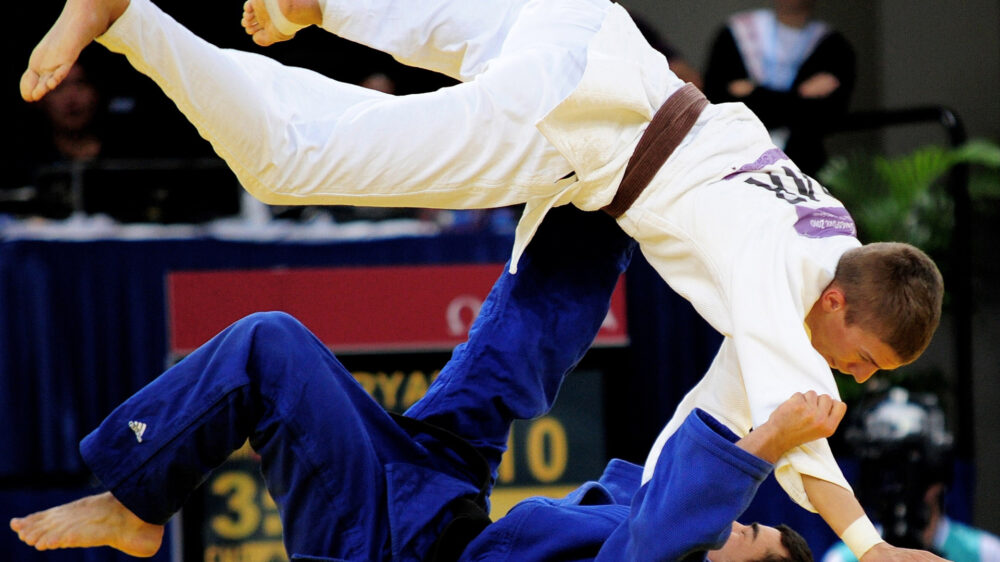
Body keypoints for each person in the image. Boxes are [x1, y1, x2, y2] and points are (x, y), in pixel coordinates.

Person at [20, 0, 945, 559]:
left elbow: (716, 422)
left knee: (458, 43)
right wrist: (869, 544)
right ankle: (133, 22)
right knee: (289, 163)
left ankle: (324, 6)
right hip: (576, 132)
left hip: (607, 52)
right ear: (835, 305)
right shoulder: (783, 281)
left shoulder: (832, 229)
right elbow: (786, 419)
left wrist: (753, 446)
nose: (852, 381)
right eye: (861, 360)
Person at [13, 206, 826, 561]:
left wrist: (768, 445)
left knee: (270, 344)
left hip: (390, 551)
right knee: (514, 360)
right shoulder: (680, 529)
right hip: (450, 511)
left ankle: (133, 506)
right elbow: (669, 489)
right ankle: (605, 202)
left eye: (741, 541)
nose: (727, 529)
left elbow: (653, 543)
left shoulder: (666, 553)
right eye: (742, 526)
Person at [822, 387, 1000, 562]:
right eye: (885, 472)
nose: (898, 487)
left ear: (938, 476)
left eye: (914, 474)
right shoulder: (842, 558)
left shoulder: (985, 554)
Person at [702, 0, 856, 175]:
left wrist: (755, 94)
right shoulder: (737, 33)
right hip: (736, 160)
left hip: (802, 165)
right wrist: (800, 96)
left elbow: (826, 116)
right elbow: (719, 101)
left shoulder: (833, 46)